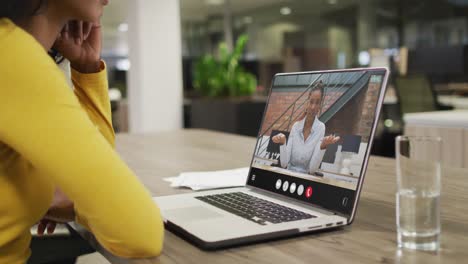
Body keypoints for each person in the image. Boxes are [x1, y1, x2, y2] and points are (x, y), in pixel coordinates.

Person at [0, 1, 164, 263]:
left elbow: (95, 175)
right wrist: (76, 205)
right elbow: (140, 234)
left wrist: (87, 68)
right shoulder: (10, 54)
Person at [272, 81, 340, 175]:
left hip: (305, 178)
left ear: (320, 105)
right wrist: (283, 142)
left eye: (317, 103)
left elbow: (312, 170)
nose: (313, 107)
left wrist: (323, 146)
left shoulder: (321, 128)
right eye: (311, 101)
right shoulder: (296, 126)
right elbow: (284, 164)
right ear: (307, 102)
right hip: (289, 174)